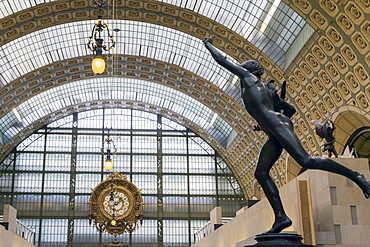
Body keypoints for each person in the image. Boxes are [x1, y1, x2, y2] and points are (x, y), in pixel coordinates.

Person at [203, 37, 370, 233]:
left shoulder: (250, 79)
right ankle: (281, 217)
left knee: (306, 161)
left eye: (244, 66)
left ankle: (356, 176)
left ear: (250, 70)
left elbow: (222, 60)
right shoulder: (263, 91)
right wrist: (270, 117)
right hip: (273, 131)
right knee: (261, 173)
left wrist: (208, 44)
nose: (240, 67)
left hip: (276, 126)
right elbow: (290, 110)